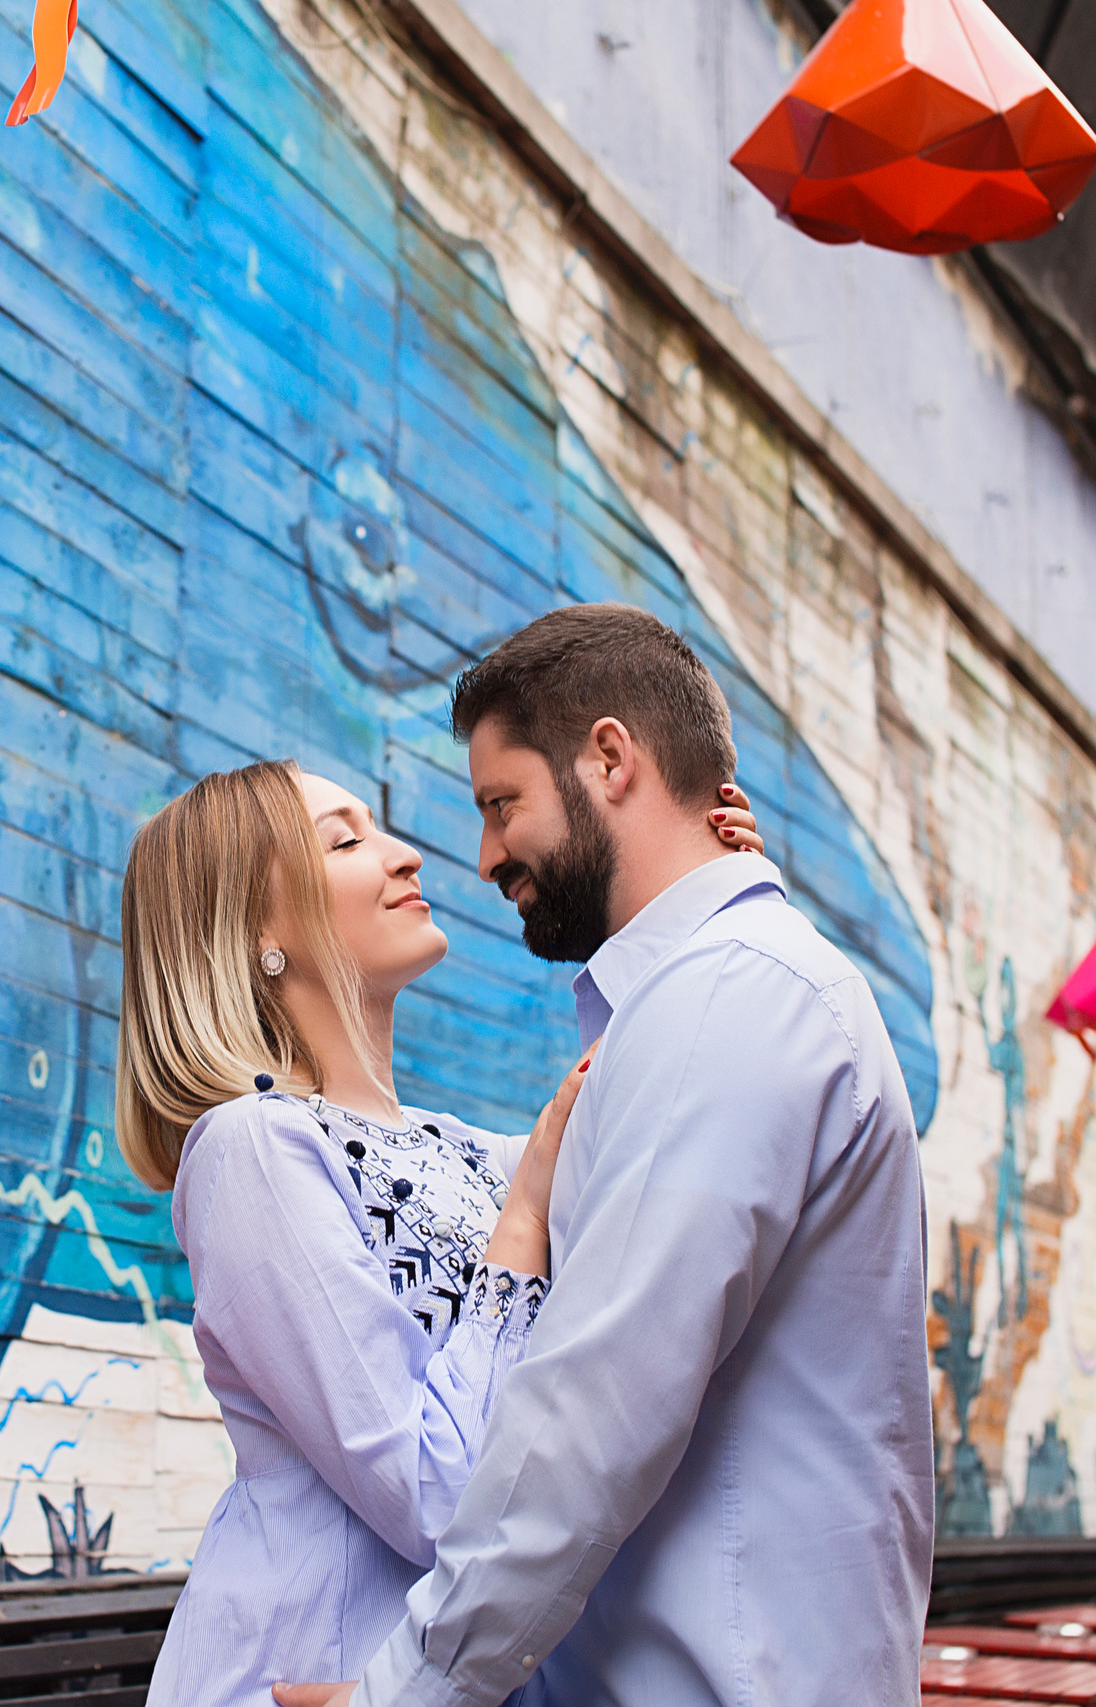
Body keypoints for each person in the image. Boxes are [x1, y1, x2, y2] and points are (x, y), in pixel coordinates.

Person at [274, 602, 936, 1707]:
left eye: (502, 804)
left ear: (611, 759)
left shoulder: (729, 994)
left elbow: (592, 1411)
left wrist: (405, 1694)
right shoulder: (722, 993)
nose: (485, 856)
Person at [117, 756, 763, 1707]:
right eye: (345, 840)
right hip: (303, 1676)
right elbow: (439, 1496)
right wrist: (524, 1222)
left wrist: (706, 896)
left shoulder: (473, 1154)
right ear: (256, 929)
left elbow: (664, 1109)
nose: (405, 854)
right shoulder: (253, 1147)